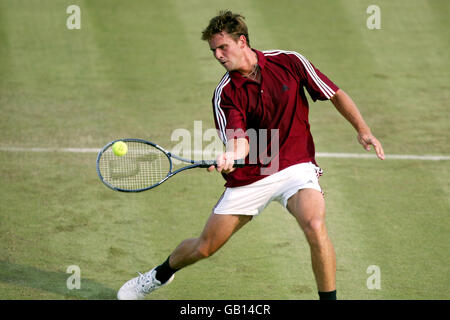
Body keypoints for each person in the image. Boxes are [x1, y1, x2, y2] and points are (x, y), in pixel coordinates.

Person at [117, 10, 385, 301]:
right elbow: (240, 141)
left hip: (296, 163)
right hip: (252, 175)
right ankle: (159, 274)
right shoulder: (226, 93)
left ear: (241, 41)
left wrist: (363, 128)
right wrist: (232, 155)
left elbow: (333, 93)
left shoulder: (289, 61)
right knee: (204, 247)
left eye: (223, 47)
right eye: (213, 50)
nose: (218, 55)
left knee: (314, 224)